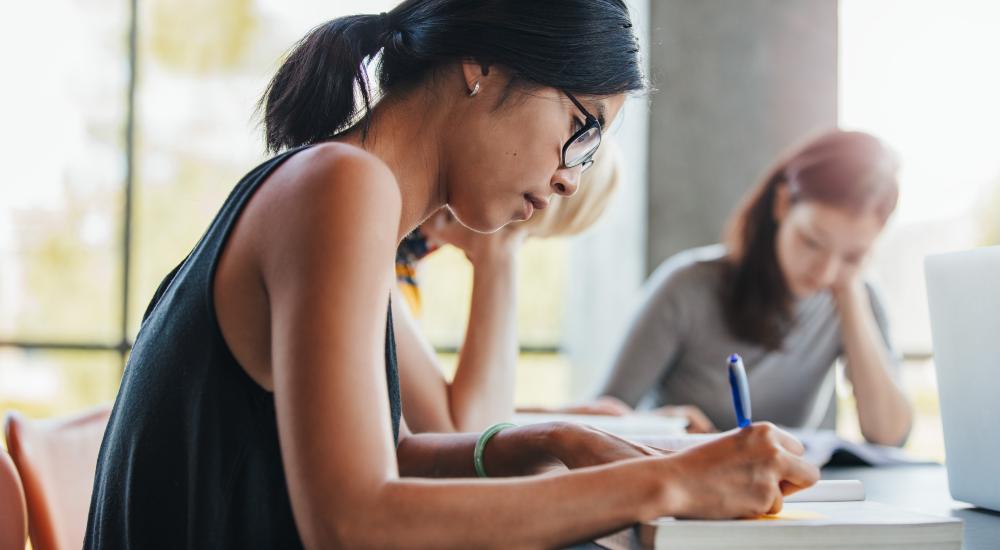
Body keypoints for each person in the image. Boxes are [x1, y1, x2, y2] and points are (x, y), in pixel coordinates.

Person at [85, 2, 818, 548]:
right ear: (481, 66)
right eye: (581, 129)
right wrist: (667, 479)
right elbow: (352, 520)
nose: (569, 179)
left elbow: (392, 452)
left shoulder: (339, 187)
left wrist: (554, 440)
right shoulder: (341, 185)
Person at [594, 130, 913, 445]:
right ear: (783, 203)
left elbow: (889, 436)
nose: (826, 271)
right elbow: (599, 420)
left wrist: (850, 296)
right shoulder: (688, 286)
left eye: (853, 256)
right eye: (812, 242)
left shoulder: (856, 296)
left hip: (785, 492)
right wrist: (661, 427)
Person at [395, 141, 631, 434]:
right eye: (523, 235)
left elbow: (404, 407)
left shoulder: (407, 256)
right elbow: (470, 437)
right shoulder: (383, 250)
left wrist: (549, 416)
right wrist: (497, 255)